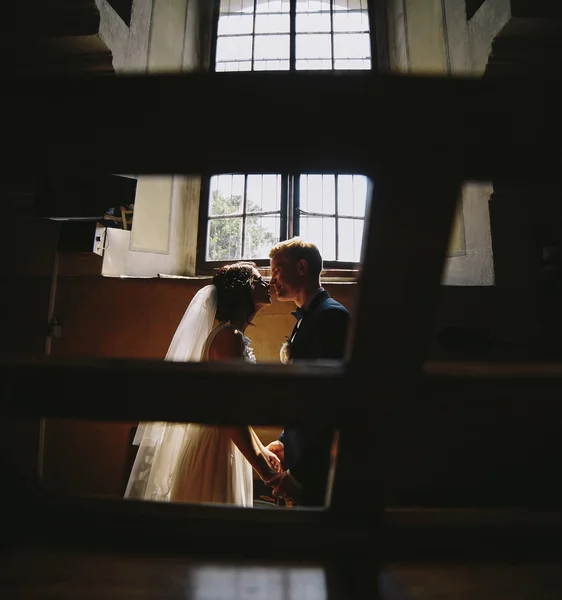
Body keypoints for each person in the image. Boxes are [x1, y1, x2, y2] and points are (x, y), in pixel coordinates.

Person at [124, 261, 281, 507]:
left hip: (227, 443)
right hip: (215, 450)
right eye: (259, 279)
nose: (268, 283)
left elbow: (236, 409)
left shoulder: (232, 335)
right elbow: (229, 414)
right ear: (244, 290)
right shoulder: (229, 337)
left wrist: (263, 449)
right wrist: (264, 471)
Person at [266, 237, 351, 507]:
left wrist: (301, 473)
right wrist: (284, 441)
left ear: (301, 267)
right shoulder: (307, 317)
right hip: (300, 455)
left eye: (277, 270)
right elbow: (303, 396)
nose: (272, 280)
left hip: (318, 470)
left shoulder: (331, 318)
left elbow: (333, 403)